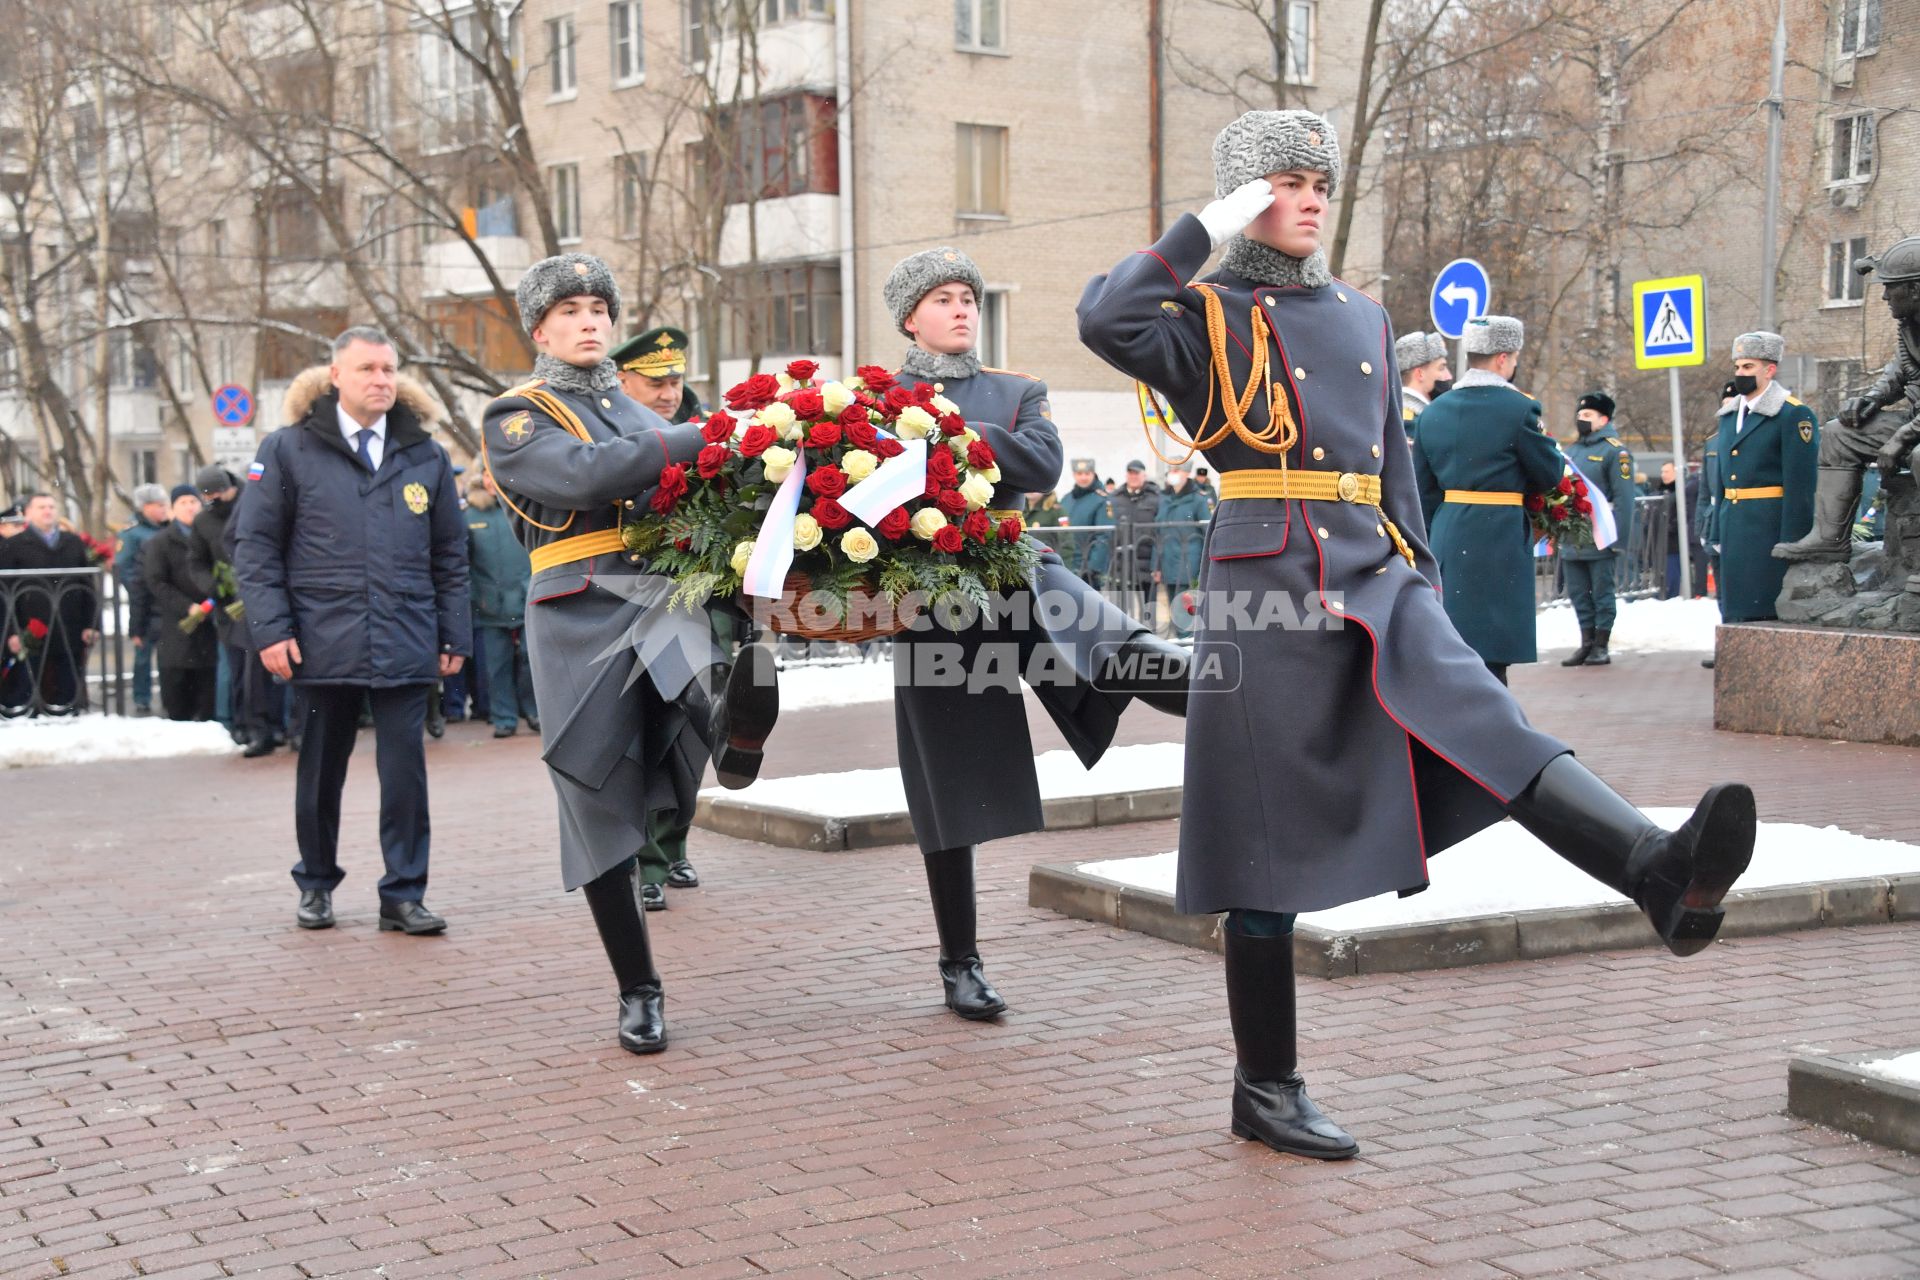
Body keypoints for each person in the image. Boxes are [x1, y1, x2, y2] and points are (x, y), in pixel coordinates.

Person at [1079, 107, 1759, 1161]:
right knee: (1264, 844)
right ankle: (1265, 1085)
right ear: (1245, 197)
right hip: (1268, 576)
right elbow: (1105, 317)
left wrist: (1423, 582)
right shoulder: (1201, 310)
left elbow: (1395, 464)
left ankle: (1657, 873)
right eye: (1286, 181)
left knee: (1488, 720)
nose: (1309, 197)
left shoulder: (1358, 313)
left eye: (1319, 181)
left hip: (1374, 564)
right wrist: (1204, 226)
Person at [882, 245, 1187, 1020]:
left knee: (1142, 663)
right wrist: (961, 443)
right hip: (932, 594)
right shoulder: (875, 395)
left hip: (1024, 571)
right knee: (947, 786)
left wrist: (938, 439)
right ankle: (961, 962)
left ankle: (1270, 740)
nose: (960, 309)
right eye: (943, 298)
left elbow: (1042, 462)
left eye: (968, 298)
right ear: (909, 316)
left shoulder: (1019, 387)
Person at [480, 252, 774, 1054]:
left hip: (660, 589)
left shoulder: (646, 411)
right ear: (540, 328)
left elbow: (700, 483)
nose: (589, 323)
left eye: (599, 310)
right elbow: (579, 476)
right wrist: (694, 437)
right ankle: (638, 987)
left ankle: (730, 727)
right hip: (577, 606)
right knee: (597, 799)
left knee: (687, 665)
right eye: (570, 311)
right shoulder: (517, 413)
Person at [232, 327, 470, 937]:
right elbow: (256, 548)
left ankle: (404, 893)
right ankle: (315, 883)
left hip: (406, 633)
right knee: (318, 772)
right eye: (367, 369)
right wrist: (270, 630)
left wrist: (455, 635)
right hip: (319, 639)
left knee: (406, 776)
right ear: (335, 375)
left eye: (389, 369)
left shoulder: (426, 454)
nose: (381, 380)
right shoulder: (288, 449)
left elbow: (449, 553)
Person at [1410, 315, 1565, 684]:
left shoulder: (1433, 412)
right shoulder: (1518, 409)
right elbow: (1549, 473)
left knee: (1455, 641)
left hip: (1449, 534)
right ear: (1502, 358)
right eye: (1513, 357)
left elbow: (1422, 490)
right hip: (1499, 535)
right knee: (1493, 651)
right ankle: (1494, 728)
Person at [1774, 236, 1919, 580]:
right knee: (1839, 434)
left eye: (1890, 288)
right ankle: (1829, 539)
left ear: (1915, 290)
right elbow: (1899, 371)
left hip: (1915, 431)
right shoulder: (1910, 327)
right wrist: (1871, 398)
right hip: (1915, 421)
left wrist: (1901, 437)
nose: (1883, 296)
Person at [1705, 332, 1818, 622]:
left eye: (1748, 367)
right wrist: (1717, 528)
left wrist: (1793, 540)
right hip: (1733, 524)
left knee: (1764, 610)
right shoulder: (1729, 415)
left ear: (1769, 370)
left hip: (1768, 528)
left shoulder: (1792, 414)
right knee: (1733, 609)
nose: (1740, 373)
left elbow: (1801, 484)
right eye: (1738, 367)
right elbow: (1722, 479)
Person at [1, 493, 99, 712]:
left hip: (69, 621)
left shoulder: (72, 543)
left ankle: (68, 714)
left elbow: (87, 586)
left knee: (68, 681)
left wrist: (91, 624)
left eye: (51, 506)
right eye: (41, 507)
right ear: (27, 513)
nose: (48, 511)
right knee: (27, 682)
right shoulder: (15, 545)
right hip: (31, 624)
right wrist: (11, 631)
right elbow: (5, 593)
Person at [1558, 392, 1636, 666]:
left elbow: (1625, 499)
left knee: (1602, 593)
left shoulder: (1615, 452)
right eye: (1580, 415)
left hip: (1600, 535)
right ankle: (1586, 643)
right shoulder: (1572, 451)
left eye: (1587, 415)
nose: (1581, 420)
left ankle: (1601, 645)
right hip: (1572, 535)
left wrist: (1620, 539)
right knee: (1579, 592)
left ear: (1603, 419)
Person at [462, 474, 537, 739]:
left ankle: (535, 712)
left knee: (532, 660)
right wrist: (474, 596)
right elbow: (462, 563)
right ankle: (504, 718)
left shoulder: (523, 507)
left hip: (526, 597)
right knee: (496, 665)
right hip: (489, 603)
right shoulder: (469, 516)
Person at [142, 486, 218, 720]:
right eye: (183, 502)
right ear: (173, 509)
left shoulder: (210, 536)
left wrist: (214, 599)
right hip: (177, 621)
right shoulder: (160, 542)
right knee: (178, 676)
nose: (189, 507)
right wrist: (187, 606)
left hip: (211, 617)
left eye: (193, 501)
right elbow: (156, 582)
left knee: (208, 677)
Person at [114, 483, 171, 716]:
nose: (164, 509)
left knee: (168, 653)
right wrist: (142, 590)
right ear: (145, 507)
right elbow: (123, 567)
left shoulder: (167, 529)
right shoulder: (133, 533)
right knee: (143, 652)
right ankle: (141, 697)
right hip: (145, 602)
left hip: (167, 601)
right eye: (159, 505)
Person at [1153, 463, 1211, 636]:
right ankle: (1183, 642)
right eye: (1170, 470)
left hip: (1188, 564)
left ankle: (1187, 645)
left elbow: (1207, 531)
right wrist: (1155, 566)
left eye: (1176, 470)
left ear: (1186, 473)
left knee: (1184, 609)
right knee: (1174, 608)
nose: (1172, 474)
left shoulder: (1198, 500)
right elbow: (1158, 534)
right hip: (1168, 561)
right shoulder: (1164, 499)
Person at [610, 325, 702, 423]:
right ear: (622, 382)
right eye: (656, 385)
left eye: (675, 383)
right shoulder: (603, 433)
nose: (669, 396)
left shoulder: (707, 430)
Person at [1109, 459, 1162, 628]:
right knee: (1120, 609)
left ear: (1144, 475)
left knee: (1149, 608)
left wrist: (1157, 564)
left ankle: (1151, 637)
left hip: (1146, 561)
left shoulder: (1155, 498)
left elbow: (1160, 532)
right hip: (1121, 561)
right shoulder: (1116, 498)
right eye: (1130, 473)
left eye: (1136, 473)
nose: (1133, 476)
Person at [1058, 458, 1113, 588]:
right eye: (1079, 474)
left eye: (1087, 474)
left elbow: (1104, 536)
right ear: (1074, 475)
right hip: (1067, 564)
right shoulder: (1066, 499)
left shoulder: (1101, 500)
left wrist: (1093, 568)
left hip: (1088, 570)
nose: (1083, 477)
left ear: (1093, 474)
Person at [1395, 330, 1450, 442]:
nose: (1448, 376)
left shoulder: (1424, 415)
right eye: (1441, 368)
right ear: (1419, 374)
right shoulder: (1410, 420)